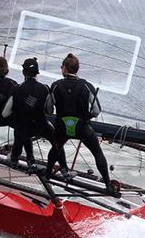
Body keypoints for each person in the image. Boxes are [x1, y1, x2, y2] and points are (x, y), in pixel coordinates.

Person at [46, 53, 117, 195]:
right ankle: (108, 184)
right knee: (97, 153)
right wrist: (87, 117)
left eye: (62, 67)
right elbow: (97, 110)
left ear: (65, 68)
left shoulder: (55, 85)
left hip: (62, 128)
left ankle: (48, 173)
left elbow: (48, 109)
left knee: (56, 147)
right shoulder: (86, 86)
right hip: (82, 128)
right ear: (77, 69)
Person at [5, 57, 67, 174]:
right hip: (41, 125)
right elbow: (49, 111)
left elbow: (5, 113)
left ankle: (14, 159)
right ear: (37, 73)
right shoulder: (44, 88)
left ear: (23, 72)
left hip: (23, 128)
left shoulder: (17, 88)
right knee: (57, 142)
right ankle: (64, 169)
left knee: (20, 132)